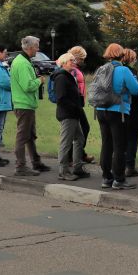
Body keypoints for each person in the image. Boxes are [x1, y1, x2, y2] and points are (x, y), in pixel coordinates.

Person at [96, 43, 138, 190]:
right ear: (121, 54)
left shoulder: (101, 69)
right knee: (119, 146)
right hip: (118, 110)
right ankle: (119, 179)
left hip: (101, 109)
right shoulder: (123, 70)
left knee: (106, 144)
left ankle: (106, 178)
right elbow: (136, 90)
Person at [10, 36, 51, 176]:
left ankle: (36, 162)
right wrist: (39, 81)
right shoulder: (22, 63)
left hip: (26, 103)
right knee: (23, 136)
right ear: (30, 47)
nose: (38, 49)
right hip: (24, 104)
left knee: (30, 135)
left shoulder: (24, 61)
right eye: (37, 46)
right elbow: (27, 86)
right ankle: (20, 166)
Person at [53, 53, 89, 181]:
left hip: (73, 113)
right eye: (71, 60)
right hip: (68, 114)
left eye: (74, 60)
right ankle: (63, 171)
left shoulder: (69, 76)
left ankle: (77, 167)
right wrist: (75, 107)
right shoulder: (62, 77)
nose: (74, 62)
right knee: (66, 143)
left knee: (79, 139)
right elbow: (61, 98)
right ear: (63, 62)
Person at [68, 46, 95, 164]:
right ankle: (74, 156)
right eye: (82, 58)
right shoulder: (72, 69)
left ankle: (79, 154)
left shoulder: (75, 68)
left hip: (78, 103)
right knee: (82, 128)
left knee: (78, 130)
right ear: (76, 57)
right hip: (75, 104)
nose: (83, 61)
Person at [122, 49, 138, 178]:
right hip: (133, 109)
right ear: (130, 58)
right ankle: (130, 167)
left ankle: (122, 165)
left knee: (123, 139)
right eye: (134, 58)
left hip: (121, 109)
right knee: (132, 139)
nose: (135, 60)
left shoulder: (117, 70)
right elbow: (137, 92)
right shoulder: (132, 72)